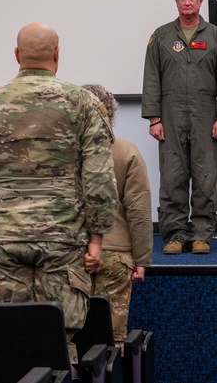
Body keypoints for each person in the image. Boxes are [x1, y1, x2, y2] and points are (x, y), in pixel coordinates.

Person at [0, 23, 117, 359]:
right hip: (63, 241)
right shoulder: (82, 104)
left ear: (16, 55)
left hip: (2, 239)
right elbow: (99, 178)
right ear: (57, 54)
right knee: (59, 341)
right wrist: (97, 240)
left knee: (8, 344)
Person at [142, 0, 217, 255]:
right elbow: (151, 78)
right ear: (176, 1)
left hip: (206, 115)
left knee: (205, 179)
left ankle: (201, 236)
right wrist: (154, 119)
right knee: (172, 179)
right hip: (170, 116)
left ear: (200, 2)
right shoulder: (161, 36)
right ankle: (174, 235)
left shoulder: (216, 36)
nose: (187, 2)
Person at [82, 84, 153, 350]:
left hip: (70, 255)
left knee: (67, 335)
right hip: (116, 256)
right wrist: (143, 259)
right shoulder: (127, 151)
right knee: (113, 341)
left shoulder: (63, 152)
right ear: (111, 114)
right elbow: (139, 211)